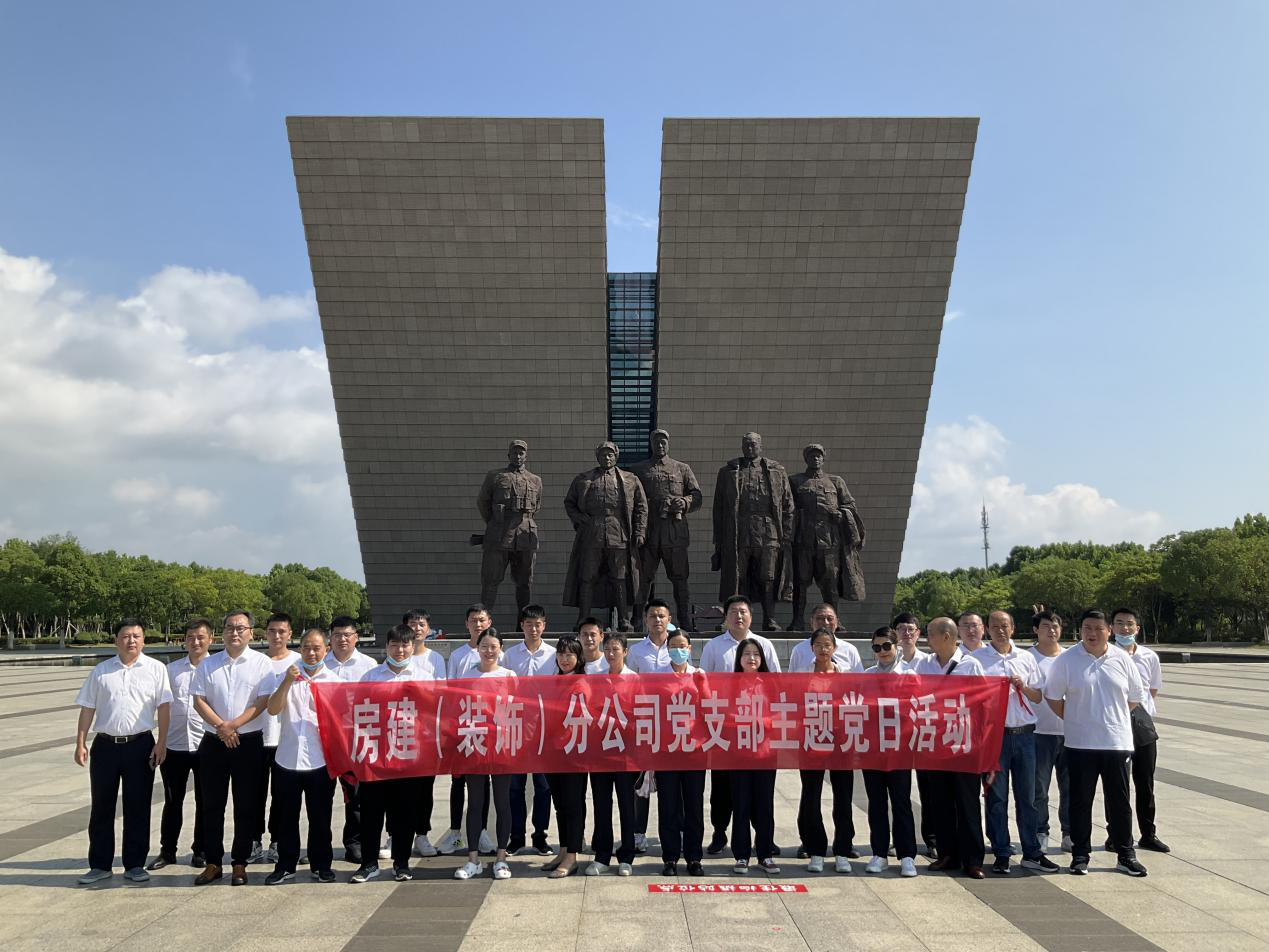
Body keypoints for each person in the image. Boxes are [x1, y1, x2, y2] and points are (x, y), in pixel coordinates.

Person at [1044, 609, 1147, 877]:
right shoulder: (1067, 660)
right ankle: (1080, 855)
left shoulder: (1122, 659)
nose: (1092, 633)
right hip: (1080, 744)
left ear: (1109, 631)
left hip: (1116, 743)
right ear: (1080, 630)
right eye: (1087, 628)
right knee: (1080, 802)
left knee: (1120, 802)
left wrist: (1109, 719)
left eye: (1098, 628)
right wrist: (1078, 718)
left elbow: (1134, 698)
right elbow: (1053, 697)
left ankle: (1126, 854)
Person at [74, 618, 172, 886]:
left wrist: (161, 742)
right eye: (126, 636)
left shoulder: (156, 669)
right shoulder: (101, 671)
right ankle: (99, 865)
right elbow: (87, 707)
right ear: (116, 640)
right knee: (101, 806)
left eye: (136, 636)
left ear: (143, 640)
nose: (131, 641)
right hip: (105, 746)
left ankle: (135, 864)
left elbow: (164, 707)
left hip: (140, 745)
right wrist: (80, 742)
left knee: (138, 805)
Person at [191, 610, 273, 886]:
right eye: (229, 627)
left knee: (246, 805)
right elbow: (199, 700)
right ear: (222, 632)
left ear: (251, 632)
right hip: (213, 742)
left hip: (248, 742)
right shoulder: (208, 664)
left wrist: (234, 725)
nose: (235, 632)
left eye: (240, 628)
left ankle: (240, 862)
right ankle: (213, 862)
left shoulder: (262, 663)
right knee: (211, 805)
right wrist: (222, 728)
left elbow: (262, 702)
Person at [973, 611, 1058, 875]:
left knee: (1028, 797)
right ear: (987, 629)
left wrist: (1022, 686)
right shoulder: (976, 659)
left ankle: (1032, 851)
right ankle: (1001, 851)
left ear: (1013, 628)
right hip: (994, 738)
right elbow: (971, 698)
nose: (1000, 631)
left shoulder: (1026, 657)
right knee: (996, 797)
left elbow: (1037, 696)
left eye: (1005, 626)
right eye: (995, 626)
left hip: (1025, 736)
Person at [699, 595, 782, 856]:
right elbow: (704, 685)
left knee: (761, 791)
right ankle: (720, 832)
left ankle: (763, 838)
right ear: (725, 617)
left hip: (760, 733)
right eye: (733, 611)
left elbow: (777, 683)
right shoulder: (714, 646)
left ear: (751, 616)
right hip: (725, 731)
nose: (739, 616)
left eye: (743, 611)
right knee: (722, 787)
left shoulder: (764, 645)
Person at [352, 624, 434, 883]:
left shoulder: (423, 677)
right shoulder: (371, 677)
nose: (400, 650)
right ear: (386, 647)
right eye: (394, 645)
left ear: (413, 646)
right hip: (376, 754)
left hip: (408, 755)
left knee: (405, 812)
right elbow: (357, 712)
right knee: (371, 812)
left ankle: (401, 863)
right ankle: (369, 863)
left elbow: (432, 714)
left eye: (405, 645)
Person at [262, 627, 339, 885]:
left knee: (320, 817)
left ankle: (321, 865)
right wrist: (287, 681)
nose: (311, 653)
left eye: (317, 648)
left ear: (326, 650)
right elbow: (273, 709)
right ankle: (286, 865)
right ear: (300, 648)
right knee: (286, 817)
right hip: (287, 757)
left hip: (320, 760)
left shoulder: (334, 681)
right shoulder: (287, 675)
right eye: (306, 647)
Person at [915, 616, 987, 879]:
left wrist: (981, 743)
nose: (927, 638)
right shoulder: (925, 664)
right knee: (940, 802)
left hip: (963, 743)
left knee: (967, 804)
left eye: (930, 633)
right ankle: (947, 854)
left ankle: (973, 860)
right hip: (936, 743)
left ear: (946, 636)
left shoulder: (970, 665)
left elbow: (983, 703)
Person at [711, 432, 795, 631]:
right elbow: (719, 508)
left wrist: (787, 535)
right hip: (739, 530)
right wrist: (719, 540)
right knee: (736, 577)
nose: (750, 447)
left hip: (768, 530)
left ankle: (770, 619)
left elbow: (788, 504)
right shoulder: (728, 471)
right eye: (746, 444)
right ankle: (730, 619)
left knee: (768, 577)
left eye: (753, 444)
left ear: (760, 446)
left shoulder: (776, 470)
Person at [563, 441, 648, 632]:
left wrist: (640, 531)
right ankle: (583, 618)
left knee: (620, 577)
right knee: (587, 576)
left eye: (610, 454)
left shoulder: (630, 479)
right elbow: (569, 503)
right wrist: (580, 519)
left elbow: (641, 507)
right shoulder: (583, 479)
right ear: (597, 457)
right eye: (603, 454)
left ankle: (624, 619)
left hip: (618, 532)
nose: (607, 458)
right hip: (592, 533)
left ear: (616, 457)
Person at [147, 617, 210, 872]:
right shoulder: (171, 670)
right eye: (190, 637)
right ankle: (168, 851)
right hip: (174, 744)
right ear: (184, 640)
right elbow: (162, 706)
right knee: (173, 800)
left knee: (206, 801)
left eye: (201, 637)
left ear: (210, 639)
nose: (195, 642)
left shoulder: (216, 668)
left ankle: (201, 850)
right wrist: (160, 742)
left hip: (206, 744)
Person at [436, 604, 499, 856]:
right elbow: (451, 692)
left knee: (483, 782)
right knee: (458, 780)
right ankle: (455, 834)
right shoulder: (459, 655)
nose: (478, 624)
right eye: (474, 620)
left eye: (482, 620)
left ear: (489, 622)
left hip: (488, 728)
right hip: (462, 726)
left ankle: (481, 832)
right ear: (467, 624)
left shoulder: (497, 652)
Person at [454, 629, 517, 880]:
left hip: (502, 746)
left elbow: (518, 709)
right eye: (484, 646)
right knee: (475, 803)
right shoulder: (467, 676)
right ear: (477, 649)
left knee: (503, 803)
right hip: (475, 744)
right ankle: (473, 860)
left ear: (500, 649)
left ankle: (501, 859)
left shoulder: (509, 675)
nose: (489, 651)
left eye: (493, 647)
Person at [797, 627, 857, 874]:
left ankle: (842, 849)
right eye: (819, 644)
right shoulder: (802, 675)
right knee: (811, 796)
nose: (823, 649)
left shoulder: (846, 675)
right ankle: (816, 850)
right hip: (811, 739)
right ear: (812, 648)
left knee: (843, 796)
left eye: (827, 645)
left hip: (841, 741)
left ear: (834, 648)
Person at [788, 443, 867, 631]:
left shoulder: (836, 482)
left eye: (819, 456)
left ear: (823, 458)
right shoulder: (795, 481)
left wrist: (842, 514)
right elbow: (786, 507)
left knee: (830, 584)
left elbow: (850, 505)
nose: (815, 459)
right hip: (803, 541)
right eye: (812, 456)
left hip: (829, 543)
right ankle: (797, 620)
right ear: (806, 459)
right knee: (800, 583)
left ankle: (834, 621)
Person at [630, 429, 703, 627]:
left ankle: (685, 621)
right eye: (656, 442)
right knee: (643, 579)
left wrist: (684, 502)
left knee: (680, 579)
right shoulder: (638, 469)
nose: (660, 445)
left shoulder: (682, 468)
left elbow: (697, 496)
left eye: (663, 442)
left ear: (668, 444)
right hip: (649, 531)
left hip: (675, 531)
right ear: (651, 444)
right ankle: (636, 621)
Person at [861, 627, 918, 877]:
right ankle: (879, 853)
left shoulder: (909, 675)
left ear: (896, 646)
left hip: (899, 748)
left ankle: (907, 855)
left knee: (901, 802)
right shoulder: (866, 676)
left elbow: (917, 709)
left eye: (886, 646)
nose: (882, 651)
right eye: (877, 647)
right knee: (876, 803)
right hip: (873, 748)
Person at [1112, 607, 1169, 853]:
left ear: (1137, 628)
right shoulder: (1108, 655)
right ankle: (1116, 835)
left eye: (1129, 624)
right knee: (1117, 785)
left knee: (1145, 782)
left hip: (1143, 726)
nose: (1125, 628)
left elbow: (1152, 689)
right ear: (1111, 628)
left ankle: (1148, 834)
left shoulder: (1149, 657)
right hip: (1115, 726)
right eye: (1119, 623)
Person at [322, 616, 377, 866]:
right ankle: (319, 847)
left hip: (356, 739)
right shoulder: (320, 664)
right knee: (320, 797)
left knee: (356, 797)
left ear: (356, 637)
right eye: (337, 635)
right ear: (330, 638)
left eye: (347, 634)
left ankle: (354, 843)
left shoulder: (369, 666)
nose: (342, 639)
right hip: (323, 739)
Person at [586, 631, 640, 876]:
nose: (610, 654)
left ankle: (626, 855)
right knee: (601, 804)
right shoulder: (595, 679)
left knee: (627, 805)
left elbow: (640, 714)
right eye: (607, 649)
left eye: (615, 649)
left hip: (626, 753)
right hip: (601, 752)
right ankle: (602, 855)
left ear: (625, 652)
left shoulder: (634, 679)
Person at [504, 604, 556, 856]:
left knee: (543, 786)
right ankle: (516, 836)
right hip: (516, 726)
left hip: (544, 727)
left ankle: (540, 836)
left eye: (538, 624)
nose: (533, 629)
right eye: (528, 624)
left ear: (544, 625)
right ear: (521, 625)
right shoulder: (509, 655)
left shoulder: (553, 654)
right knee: (515, 785)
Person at [250, 612, 300, 866]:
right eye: (272, 631)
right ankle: (253, 840)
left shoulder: (299, 662)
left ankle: (278, 841)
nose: (277, 636)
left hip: (285, 739)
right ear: (265, 633)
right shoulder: (255, 662)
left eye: (282, 631)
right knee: (253, 794)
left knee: (282, 796)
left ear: (290, 634)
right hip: (256, 737)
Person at [628, 598, 676, 853]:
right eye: (652, 616)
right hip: (644, 721)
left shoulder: (678, 647)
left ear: (669, 619)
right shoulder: (636, 651)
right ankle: (638, 832)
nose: (657, 620)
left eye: (661, 616)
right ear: (645, 620)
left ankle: (674, 831)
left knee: (672, 781)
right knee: (641, 781)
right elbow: (628, 686)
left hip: (673, 722)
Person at [656, 628, 706, 876]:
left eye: (682, 646)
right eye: (673, 646)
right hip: (667, 750)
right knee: (668, 806)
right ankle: (670, 857)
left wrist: (702, 687)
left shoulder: (699, 675)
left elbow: (709, 707)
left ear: (690, 648)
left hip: (694, 751)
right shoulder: (658, 677)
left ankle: (694, 857)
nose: (678, 650)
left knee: (694, 806)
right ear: (667, 649)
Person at [730, 639, 779, 875]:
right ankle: (741, 855)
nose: (751, 658)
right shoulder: (730, 684)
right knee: (740, 804)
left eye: (756, 654)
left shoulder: (770, 684)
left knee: (764, 805)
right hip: (739, 753)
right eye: (747, 654)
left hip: (765, 753)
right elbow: (722, 712)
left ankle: (765, 854)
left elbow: (780, 713)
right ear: (739, 659)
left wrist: (764, 722)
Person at [477, 438, 543, 611]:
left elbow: (536, 507)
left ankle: (523, 622)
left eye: (521, 453)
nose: (518, 456)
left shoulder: (535, 480)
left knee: (525, 582)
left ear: (526, 456)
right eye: (514, 453)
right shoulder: (495, 476)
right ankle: (484, 621)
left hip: (525, 536)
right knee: (490, 580)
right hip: (499, 534)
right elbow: (483, 502)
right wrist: (495, 522)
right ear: (509, 455)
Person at [544, 636, 587, 878]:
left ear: (578, 658)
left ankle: (572, 855)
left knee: (573, 804)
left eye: (570, 654)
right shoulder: (553, 682)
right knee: (559, 804)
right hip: (553, 752)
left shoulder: (583, 682)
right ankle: (562, 850)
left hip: (574, 753)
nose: (564, 659)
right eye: (561, 654)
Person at [1029, 610, 1072, 852]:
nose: (1051, 630)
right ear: (1036, 630)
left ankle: (1069, 833)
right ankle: (1040, 831)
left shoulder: (1070, 657)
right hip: (1038, 733)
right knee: (1039, 789)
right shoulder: (1027, 658)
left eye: (1055, 626)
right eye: (1046, 626)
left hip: (1071, 733)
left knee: (1071, 787)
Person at [404, 608, 444, 857]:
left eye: (421, 624)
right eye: (412, 624)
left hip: (426, 733)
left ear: (428, 629)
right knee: (397, 788)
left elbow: (440, 694)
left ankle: (421, 835)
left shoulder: (435, 659)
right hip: (400, 732)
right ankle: (395, 835)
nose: (417, 629)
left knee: (424, 788)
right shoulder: (397, 654)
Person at [894, 611, 935, 857]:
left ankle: (932, 839)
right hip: (896, 732)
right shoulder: (890, 661)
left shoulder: (929, 662)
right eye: (901, 629)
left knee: (928, 789)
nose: (906, 633)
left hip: (923, 731)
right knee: (898, 791)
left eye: (911, 629)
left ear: (918, 633)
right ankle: (899, 839)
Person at [788, 603, 863, 673]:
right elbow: (791, 679)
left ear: (837, 622)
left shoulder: (849, 650)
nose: (825, 622)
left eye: (830, 619)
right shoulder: (799, 650)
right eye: (819, 618)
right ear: (811, 621)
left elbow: (860, 679)